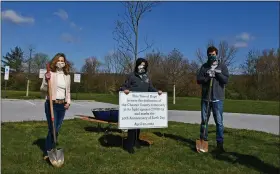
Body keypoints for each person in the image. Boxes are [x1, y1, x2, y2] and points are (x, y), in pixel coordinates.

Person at [120, 58, 162, 154]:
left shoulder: (147, 77)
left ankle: (136, 141)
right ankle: (129, 145)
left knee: (139, 124)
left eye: (144, 65)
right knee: (132, 125)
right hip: (132, 104)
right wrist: (124, 90)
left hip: (143, 104)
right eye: (141, 65)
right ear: (137, 65)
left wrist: (157, 92)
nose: (142, 67)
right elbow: (123, 86)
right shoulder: (131, 76)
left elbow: (150, 88)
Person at [197, 46, 229, 153]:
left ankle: (220, 144)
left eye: (213, 54)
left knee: (219, 122)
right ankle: (203, 141)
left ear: (217, 54)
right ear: (207, 55)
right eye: (210, 55)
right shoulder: (204, 66)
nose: (211, 56)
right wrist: (207, 76)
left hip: (217, 99)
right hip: (206, 99)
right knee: (204, 121)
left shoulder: (222, 66)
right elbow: (199, 80)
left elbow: (225, 80)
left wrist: (217, 73)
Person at [40, 53, 71, 160]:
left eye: (62, 61)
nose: (61, 63)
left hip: (62, 105)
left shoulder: (67, 76)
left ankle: (52, 148)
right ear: (55, 62)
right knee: (52, 128)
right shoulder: (50, 74)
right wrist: (45, 80)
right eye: (59, 61)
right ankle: (47, 151)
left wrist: (68, 102)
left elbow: (68, 91)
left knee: (57, 128)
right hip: (51, 104)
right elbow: (43, 90)